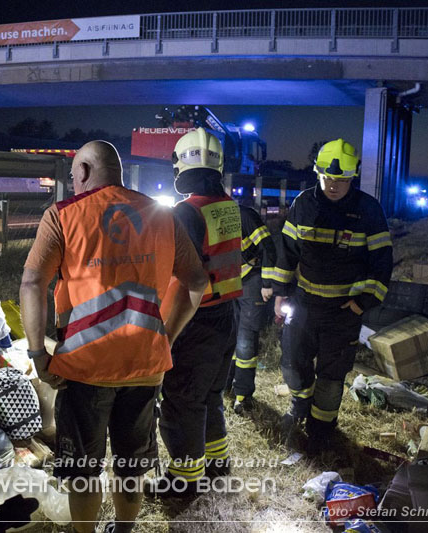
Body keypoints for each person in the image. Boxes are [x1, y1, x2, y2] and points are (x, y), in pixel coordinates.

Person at [19, 140, 208, 533]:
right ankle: (124, 529)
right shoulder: (163, 215)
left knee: (84, 471)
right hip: (145, 366)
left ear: (85, 172)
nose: (73, 185)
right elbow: (196, 282)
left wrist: (38, 354)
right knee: (131, 463)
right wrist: (165, 338)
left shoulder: (62, 216)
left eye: (74, 177)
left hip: (84, 368)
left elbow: (33, 282)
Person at [272, 139, 393, 454]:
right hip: (304, 304)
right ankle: (301, 404)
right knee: (292, 364)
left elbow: (381, 262)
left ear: (353, 177)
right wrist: (280, 294)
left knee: (331, 375)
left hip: (342, 311)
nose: (334, 184)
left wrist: (362, 303)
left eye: (341, 179)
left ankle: (322, 430)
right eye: (327, 177)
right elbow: (287, 252)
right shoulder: (303, 204)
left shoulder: (368, 210)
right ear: (317, 173)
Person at [151, 129, 243, 497]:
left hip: (196, 319)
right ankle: (217, 464)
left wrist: (167, 336)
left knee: (181, 399)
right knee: (209, 395)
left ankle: (184, 480)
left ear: (179, 166)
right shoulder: (228, 205)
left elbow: (186, 282)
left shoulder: (185, 212)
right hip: (226, 315)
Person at [226, 204, 278, 415]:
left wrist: (266, 283)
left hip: (251, 279)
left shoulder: (244, 215)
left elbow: (268, 246)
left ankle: (243, 396)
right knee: (228, 337)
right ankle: (224, 386)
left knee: (245, 340)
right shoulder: (208, 214)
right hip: (227, 282)